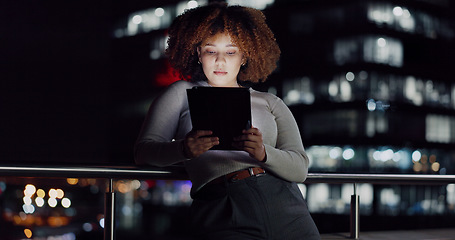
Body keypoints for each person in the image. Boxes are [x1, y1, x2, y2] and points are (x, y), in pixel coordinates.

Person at [135, 2, 320, 239]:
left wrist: (263, 153)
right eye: (211, 51)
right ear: (198, 53)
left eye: (231, 52)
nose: (220, 61)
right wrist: (183, 149)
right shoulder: (181, 94)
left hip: (287, 206)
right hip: (221, 206)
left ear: (244, 56)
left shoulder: (270, 101)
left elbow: (300, 167)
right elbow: (143, 152)